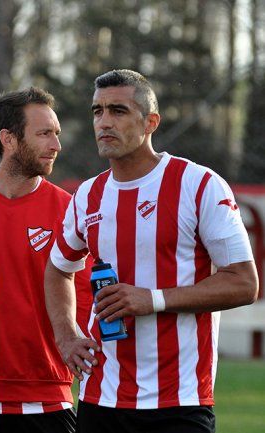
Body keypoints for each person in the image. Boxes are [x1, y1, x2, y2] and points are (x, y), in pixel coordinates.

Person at [45, 69, 259, 433]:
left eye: (118, 111)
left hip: (180, 401)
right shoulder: (88, 195)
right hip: (102, 398)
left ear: (151, 122)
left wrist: (153, 299)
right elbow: (58, 268)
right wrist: (66, 336)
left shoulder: (198, 185)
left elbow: (243, 283)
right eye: (97, 111)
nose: (104, 122)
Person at [0, 87, 91, 433]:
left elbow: (85, 299)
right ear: (9, 139)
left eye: (56, 134)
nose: (56, 145)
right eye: (44, 134)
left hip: (47, 399)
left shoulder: (70, 210)